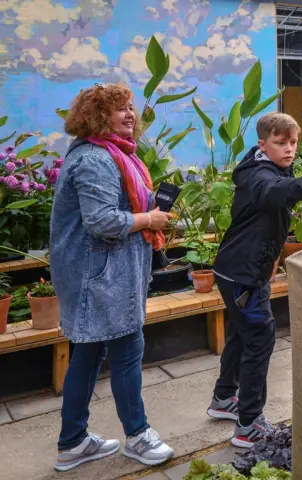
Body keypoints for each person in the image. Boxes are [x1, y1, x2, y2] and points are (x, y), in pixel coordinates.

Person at [50, 83, 175, 472]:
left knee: (87, 355)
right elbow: (102, 221)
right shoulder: (96, 159)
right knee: (126, 351)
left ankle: (73, 442)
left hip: (104, 274)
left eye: (131, 107)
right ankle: (137, 436)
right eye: (119, 109)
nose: (130, 115)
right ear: (96, 117)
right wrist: (149, 219)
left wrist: (145, 213)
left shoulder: (113, 155)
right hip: (100, 278)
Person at [207, 112, 302, 448]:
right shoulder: (261, 176)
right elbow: (276, 192)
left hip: (239, 268)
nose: (289, 149)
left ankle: (223, 399)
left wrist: (271, 258)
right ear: (263, 144)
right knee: (260, 338)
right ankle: (248, 425)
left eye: (293, 142)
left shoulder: (267, 166)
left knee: (241, 335)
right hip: (243, 274)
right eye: (280, 143)